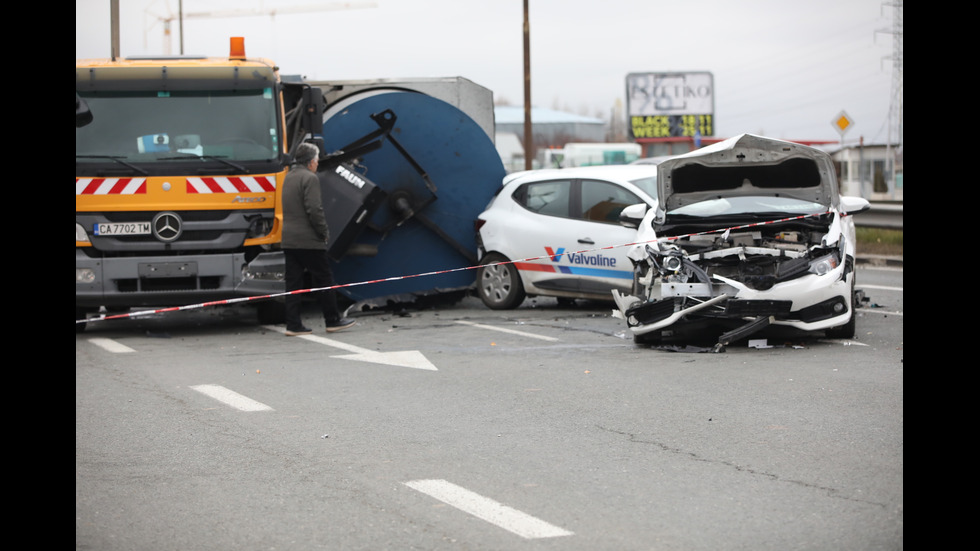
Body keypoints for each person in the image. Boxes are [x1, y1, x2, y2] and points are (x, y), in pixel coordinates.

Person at [281, 142, 356, 336]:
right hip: (308, 239)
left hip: (289, 239)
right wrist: (323, 231)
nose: (317, 163)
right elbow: (314, 209)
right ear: (311, 161)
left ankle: (293, 324)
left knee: (293, 283)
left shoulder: (288, 177)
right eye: (316, 160)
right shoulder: (309, 178)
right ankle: (332, 320)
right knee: (324, 278)